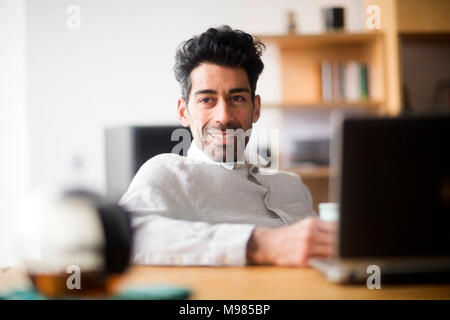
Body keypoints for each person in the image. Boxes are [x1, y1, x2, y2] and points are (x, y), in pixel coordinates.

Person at [119, 25, 336, 267]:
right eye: (206, 100)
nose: (223, 116)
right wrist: (261, 244)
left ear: (256, 108)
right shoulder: (168, 172)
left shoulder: (291, 184)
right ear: (183, 112)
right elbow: (129, 237)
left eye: (237, 98)